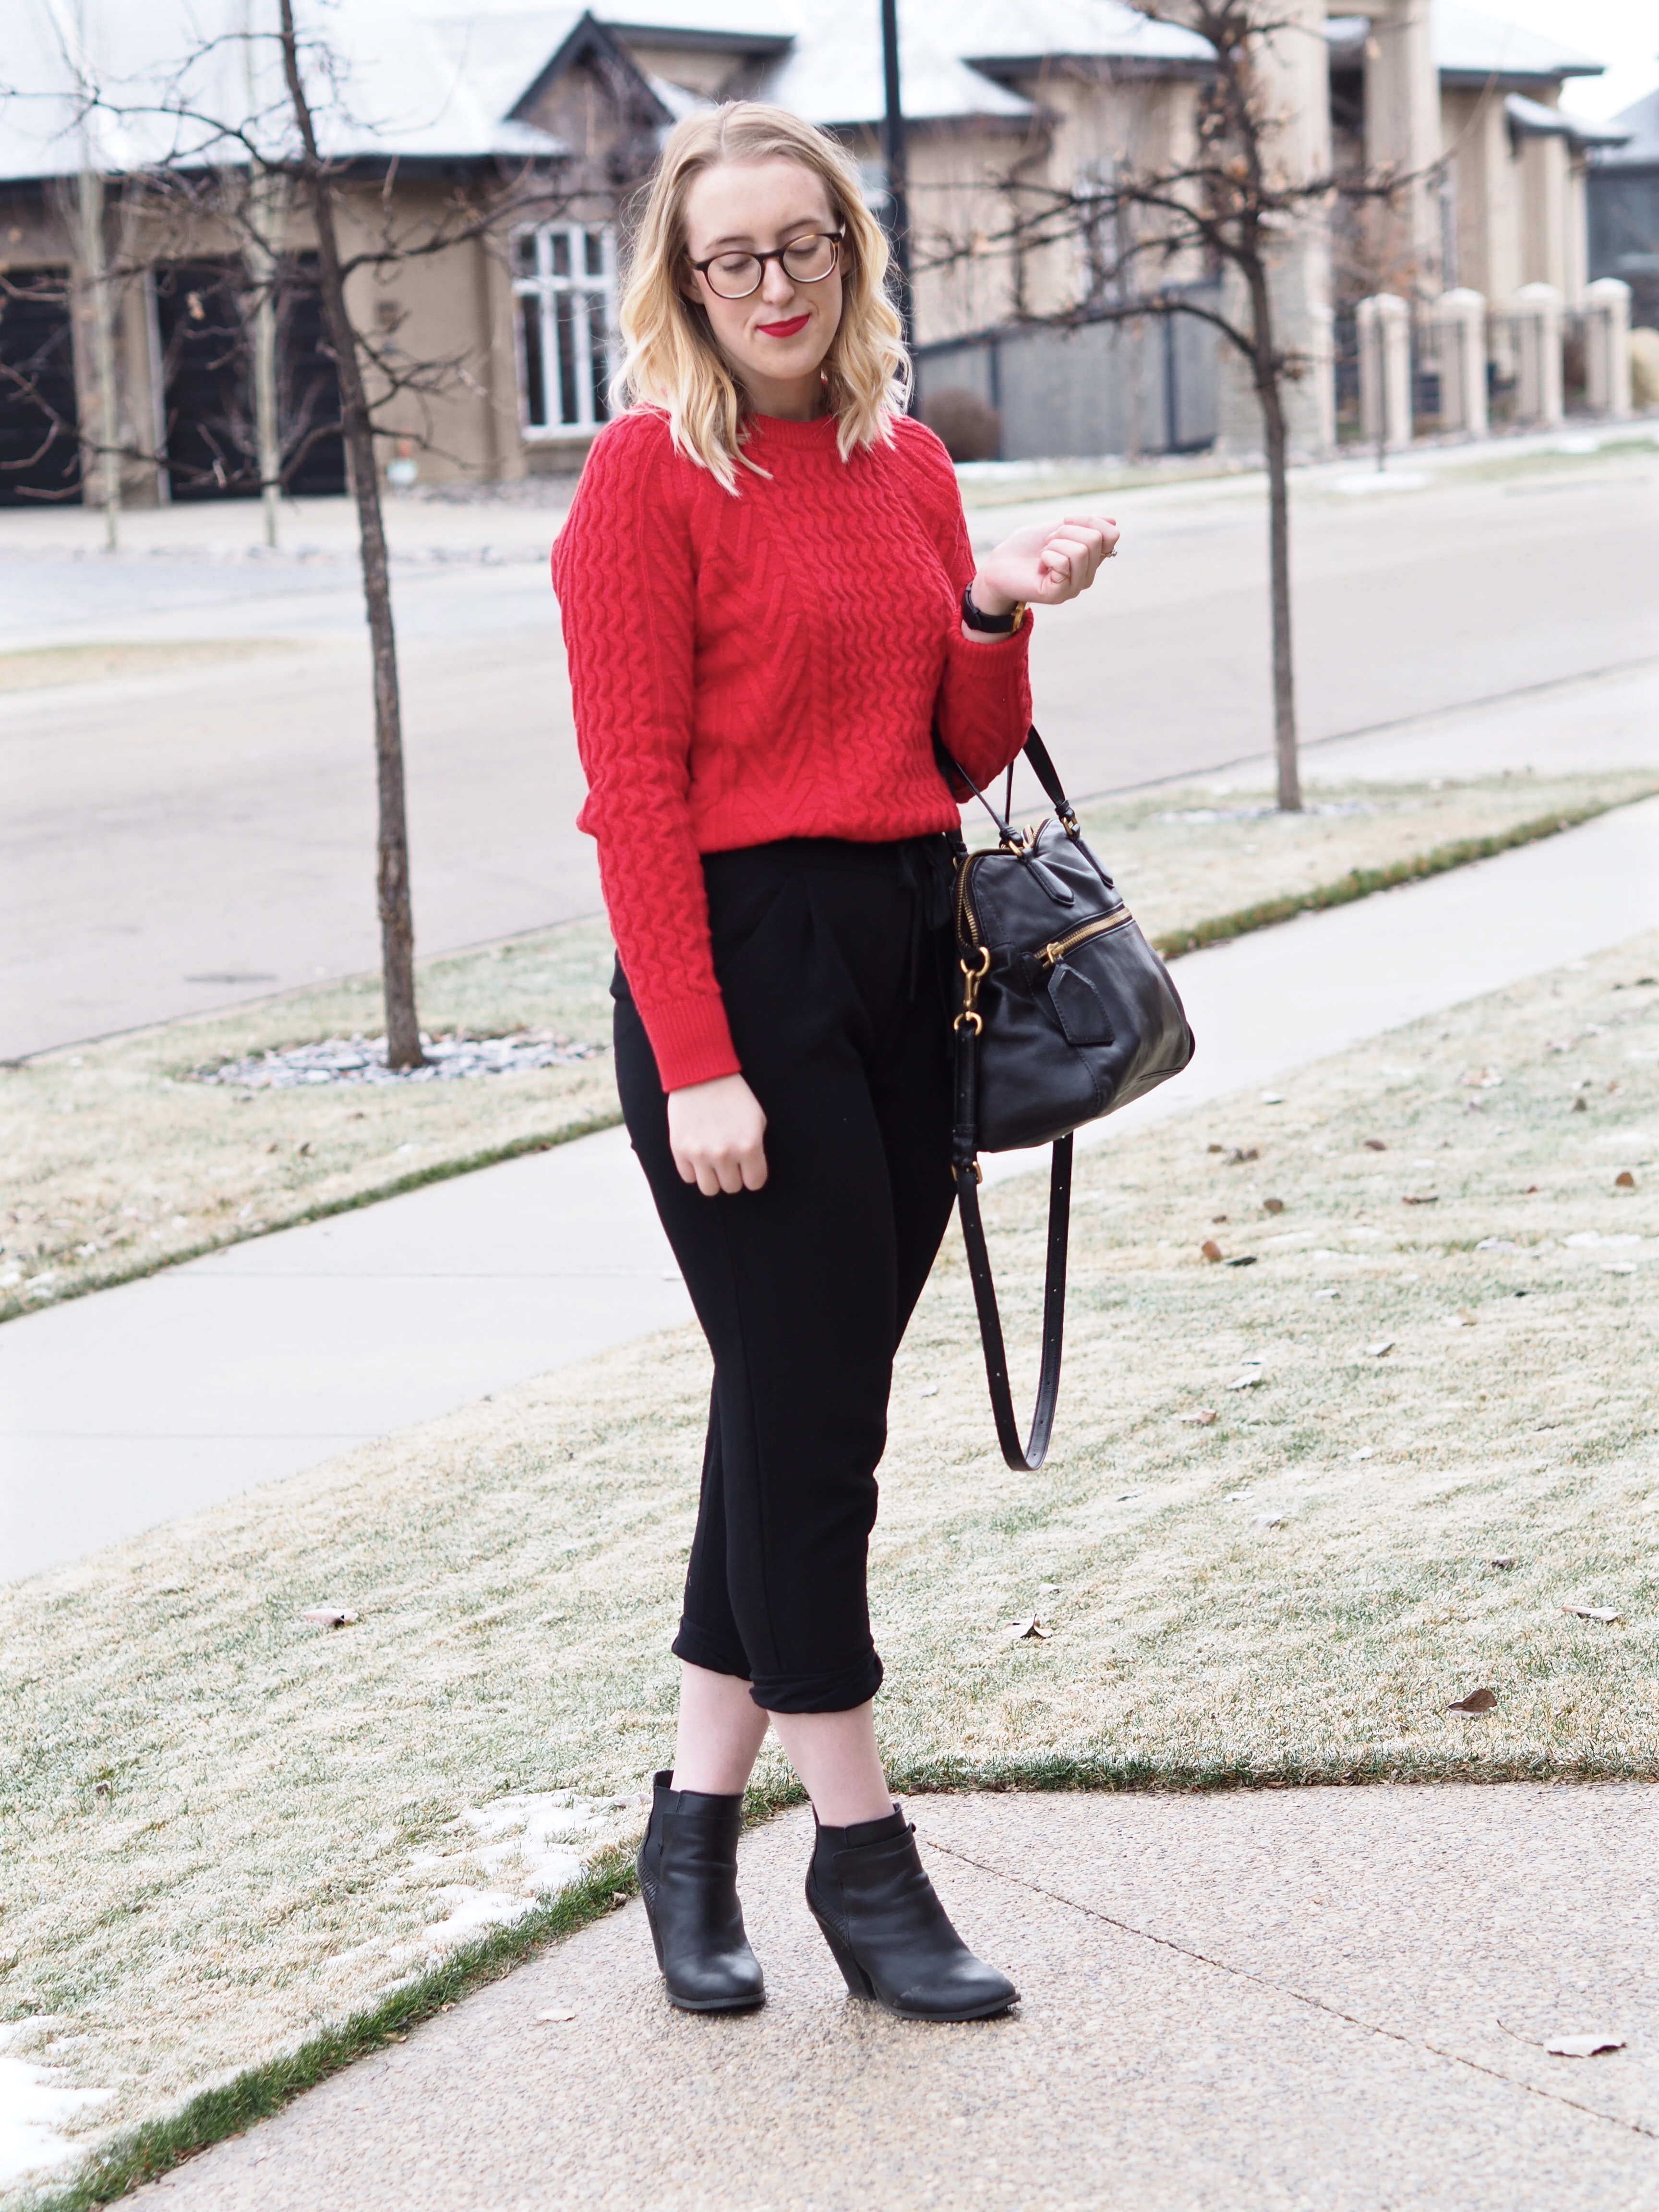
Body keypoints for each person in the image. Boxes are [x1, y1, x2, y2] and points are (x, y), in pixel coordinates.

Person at [552, 101, 1118, 2023]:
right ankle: (863, 1864)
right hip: (740, 980)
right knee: (822, 1442)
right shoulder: (645, 481)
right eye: (736, 258)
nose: (775, 285)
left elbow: (955, 758)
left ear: (851, 258)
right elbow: (635, 801)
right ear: (685, 280)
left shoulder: (911, 464)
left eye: (805, 247)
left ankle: (690, 1833)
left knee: (785, 1415)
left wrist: (991, 605)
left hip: (908, 956)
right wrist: (702, 1063)